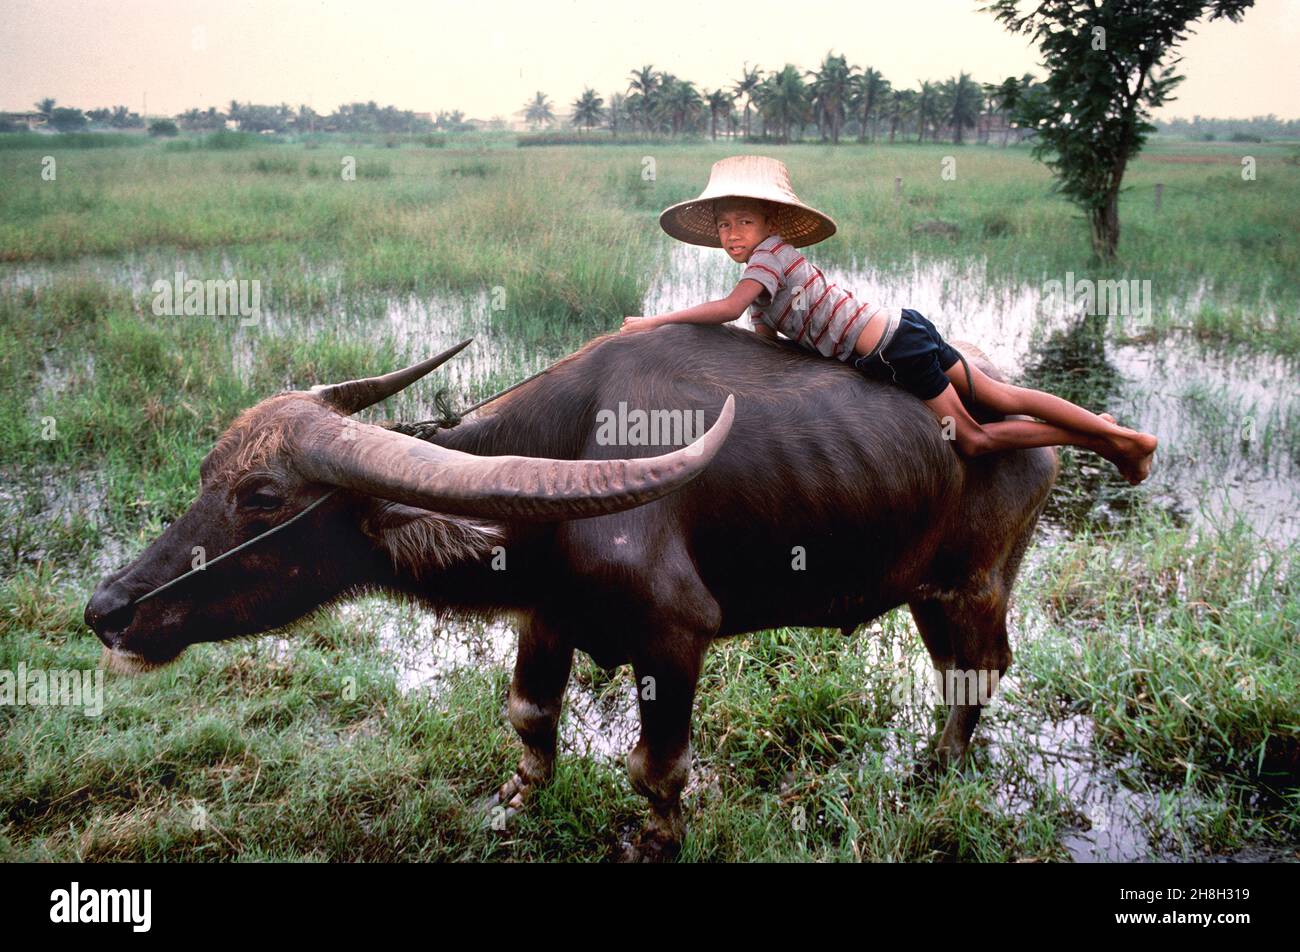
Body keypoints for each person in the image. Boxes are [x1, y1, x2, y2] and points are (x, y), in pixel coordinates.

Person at [621, 155, 1157, 484]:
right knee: (1004, 395)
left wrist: (654, 323)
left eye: (745, 221)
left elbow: (728, 310)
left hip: (892, 353)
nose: (732, 233)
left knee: (971, 439)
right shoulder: (770, 277)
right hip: (904, 325)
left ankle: (1102, 442)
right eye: (723, 225)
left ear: (770, 224)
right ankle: (1110, 428)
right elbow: (764, 340)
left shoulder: (767, 259)